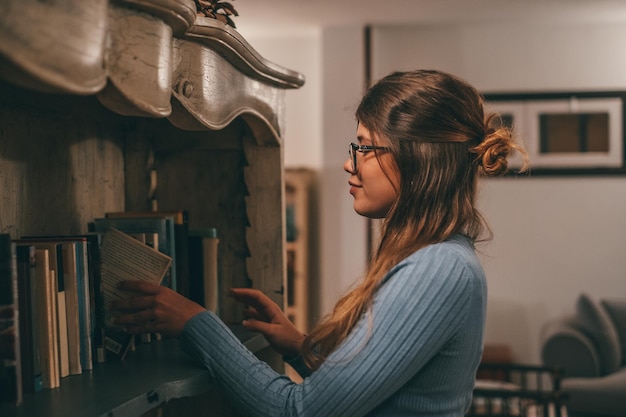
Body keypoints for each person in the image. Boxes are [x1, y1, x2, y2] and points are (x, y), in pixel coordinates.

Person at [110, 69, 527, 416]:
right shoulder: (441, 259)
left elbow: (299, 412)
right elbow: (383, 395)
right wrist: (300, 347)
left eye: (364, 146)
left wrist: (196, 323)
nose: (349, 162)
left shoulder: (439, 269)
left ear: (418, 159)